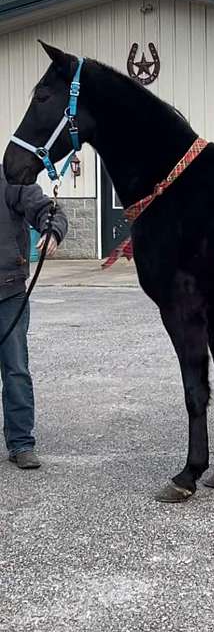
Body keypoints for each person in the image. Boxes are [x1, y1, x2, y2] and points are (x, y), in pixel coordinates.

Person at [0, 163, 67, 469]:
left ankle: (21, 443)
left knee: (15, 369)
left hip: (8, 291)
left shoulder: (10, 179)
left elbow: (46, 209)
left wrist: (51, 230)